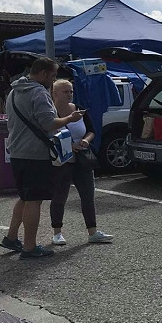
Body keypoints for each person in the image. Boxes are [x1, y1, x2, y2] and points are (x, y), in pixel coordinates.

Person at [2, 57, 84, 259]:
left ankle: (11, 237)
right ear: (44, 73)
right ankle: (30, 247)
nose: (53, 79)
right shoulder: (38, 92)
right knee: (34, 201)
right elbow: (48, 123)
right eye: (53, 75)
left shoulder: (13, 92)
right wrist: (70, 119)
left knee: (24, 196)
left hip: (17, 152)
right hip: (35, 154)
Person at [48, 78, 113, 246]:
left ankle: (93, 232)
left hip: (83, 158)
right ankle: (57, 232)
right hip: (62, 160)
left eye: (71, 91)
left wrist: (85, 141)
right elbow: (47, 135)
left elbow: (91, 130)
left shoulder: (78, 109)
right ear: (54, 93)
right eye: (65, 91)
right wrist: (68, 145)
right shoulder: (50, 112)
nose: (69, 94)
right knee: (59, 196)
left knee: (88, 196)